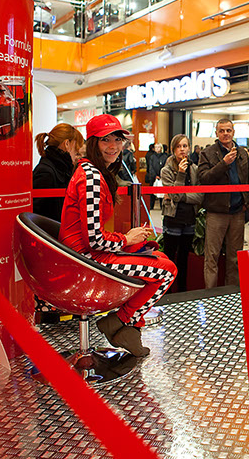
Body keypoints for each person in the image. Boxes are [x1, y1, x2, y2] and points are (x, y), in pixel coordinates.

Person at [59, 114, 177, 357]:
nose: (113, 146)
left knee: (159, 257)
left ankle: (129, 328)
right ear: (93, 143)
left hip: (83, 255)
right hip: (85, 261)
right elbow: (94, 239)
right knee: (167, 271)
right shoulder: (91, 177)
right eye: (105, 140)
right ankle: (120, 322)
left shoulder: (92, 171)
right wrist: (126, 239)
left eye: (117, 139)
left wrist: (127, 239)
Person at [198, 118, 249, 288]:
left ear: (233, 132)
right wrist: (224, 164)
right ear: (216, 133)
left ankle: (232, 293)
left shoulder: (242, 153)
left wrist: (247, 202)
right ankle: (210, 294)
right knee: (212, 257)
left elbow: (247, 179)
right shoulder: (207, 153)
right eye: (221, 131)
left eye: (228, 130)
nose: (225, 134)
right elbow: (204, 179)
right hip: (216, 211)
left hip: (237, 211)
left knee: (235, 257)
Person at [161, 134, 203, 293]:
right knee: (170, 257)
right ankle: (166, 291)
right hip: (173, 218)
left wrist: (182, 197)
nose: (182, 150)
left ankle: (182, 291)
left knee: (184, 258)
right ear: (173, 150)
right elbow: (175, 195)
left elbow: (200, 196)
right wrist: (180, 173)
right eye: (178, 147)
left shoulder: (195, 169)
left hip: (189, 218)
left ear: (189, 148)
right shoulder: (166, 170)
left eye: (185, 146)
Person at [33, 123, 84, 222]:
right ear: (67, 144)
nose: (77, 153)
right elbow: (34, 213)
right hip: (49, 231)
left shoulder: (60, 168)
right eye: (76, 148)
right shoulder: (46, 172)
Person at [146, 142, 168, 210]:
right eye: (156, 147)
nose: (157, 149)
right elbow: (150, 167)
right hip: (153, 176)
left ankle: (162, 206)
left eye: (158, 147)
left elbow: (166, 166)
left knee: (162, 191)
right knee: (152, 192)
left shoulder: (165, 157)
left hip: (162, 176)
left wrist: (161, 175)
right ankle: (151, 205)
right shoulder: (152, 157)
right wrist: (155, 175)